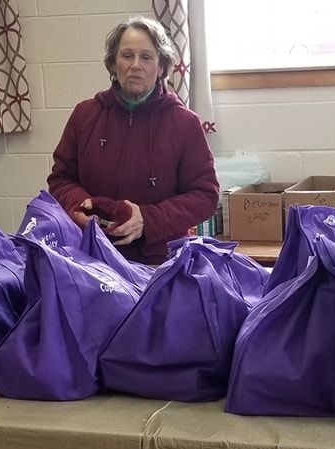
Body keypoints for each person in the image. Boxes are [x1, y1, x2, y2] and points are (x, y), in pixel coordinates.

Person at [47, 16, 219, 264]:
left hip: (159, 261)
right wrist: (78, 206)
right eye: (127, 56)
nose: (135, 65)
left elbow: (205, 195)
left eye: (146, 57)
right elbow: (61, 178)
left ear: (161, 67)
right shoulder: (85, 115)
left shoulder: (185, 123)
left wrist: (147, 220)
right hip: (90, 256)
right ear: (113, 64)